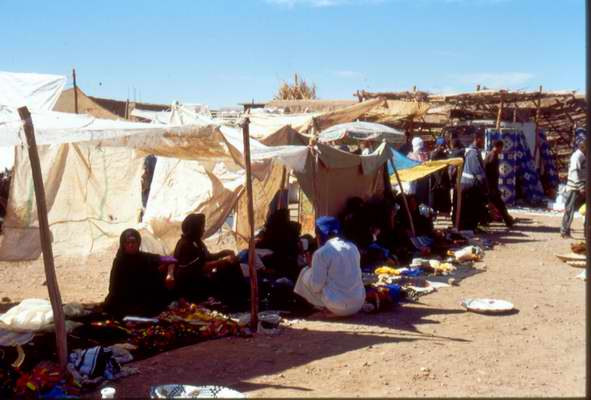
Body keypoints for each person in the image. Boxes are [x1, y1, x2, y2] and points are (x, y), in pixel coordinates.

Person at [294, 216, 365, 317]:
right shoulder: (353, 247)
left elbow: (315, 287)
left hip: (337, 306)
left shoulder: (321, 253)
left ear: (319, 234)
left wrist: (313, 267)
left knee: (305, 272)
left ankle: (321, 307)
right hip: (357, 304)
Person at [174, 213, 248, 307]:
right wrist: (223, 261)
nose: (204, 230)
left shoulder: (197, 242)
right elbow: (200, 268)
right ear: (194, 228)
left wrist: (223, 253)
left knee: (229, 265)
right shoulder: (186, 245)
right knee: (227, 269)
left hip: (199, 278)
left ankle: (238, 297)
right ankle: (235, 300)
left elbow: (208, 257)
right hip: (191, 284)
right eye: (202, 227)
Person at [103, 229, 176, 318]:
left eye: (133, 242)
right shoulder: (119, 262)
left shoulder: (144, 257)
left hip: (143, 300)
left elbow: (168, 259)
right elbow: (114, 288)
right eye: (127, 243)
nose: (131, 245)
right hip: (123, 302)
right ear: (123, 244)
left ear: (138, 243)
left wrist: (170, 271)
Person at [459, 131, 488, 231]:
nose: (483, 142)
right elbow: (477, 170)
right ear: (478, 139)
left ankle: (472, 227)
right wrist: (484, 183)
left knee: (472, 207)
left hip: (469, 184)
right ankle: (469, 227)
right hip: (470, 185)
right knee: (472, 207)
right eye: (483, 140)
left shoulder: (473, 151)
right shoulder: (473, 153)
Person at [561, 135, 587, 238]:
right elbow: (574, 172)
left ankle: (587, 232)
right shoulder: (577, 156)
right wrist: (580, 185)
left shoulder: (584, 156)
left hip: (583, 187)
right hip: (574, 188)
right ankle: (564, 231)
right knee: (569, 210)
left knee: (587, 210)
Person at [484, 140, 514, 228]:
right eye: (501, 148)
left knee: (497, 204)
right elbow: (490, 173)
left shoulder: (491, 155)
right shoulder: (493, 156)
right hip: (491, 186)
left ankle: (506, 220)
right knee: (500, 204)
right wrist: (492, 188)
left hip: (490, 186)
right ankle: (508, 220)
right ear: (498, 147)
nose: (502, 150)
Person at [429, 137, 452, 215]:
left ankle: (444, 211)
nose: (442, 147)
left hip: (443, 180)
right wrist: (439, 181)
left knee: (443, 198)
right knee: (435, 198)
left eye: (443, 145)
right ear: (437, 145)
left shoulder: (444, 154)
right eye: (441, 145)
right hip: (436, 181)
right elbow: (434, 169)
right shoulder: (433, 155)